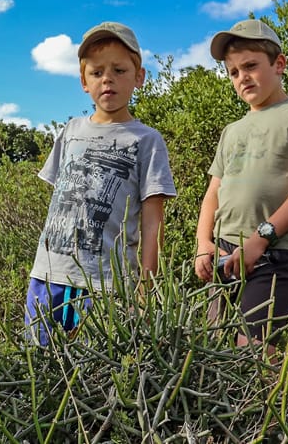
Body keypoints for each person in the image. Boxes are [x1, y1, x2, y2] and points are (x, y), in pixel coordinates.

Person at [24, 22, 176, 345]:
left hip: (105, 286)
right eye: (96, 72)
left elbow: (153, 222)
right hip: (47, 276)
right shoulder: (70, 130)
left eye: (119, 70)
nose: (107, 79)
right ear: (83, 81)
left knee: (96, 376)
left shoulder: (147, 140)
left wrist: (145, 290)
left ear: (139, 77)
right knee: (38, 371)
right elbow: (59, 202)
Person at [194, 19, 288, 348]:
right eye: (233, 72)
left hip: (272, 252)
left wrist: (260, 240)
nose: (242, 77)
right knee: (213, 356)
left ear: (279, 64)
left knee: (254, 358)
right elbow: (212, 193)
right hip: (223, 252)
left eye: (251, 66)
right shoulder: (232, 130)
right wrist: (203, 243)